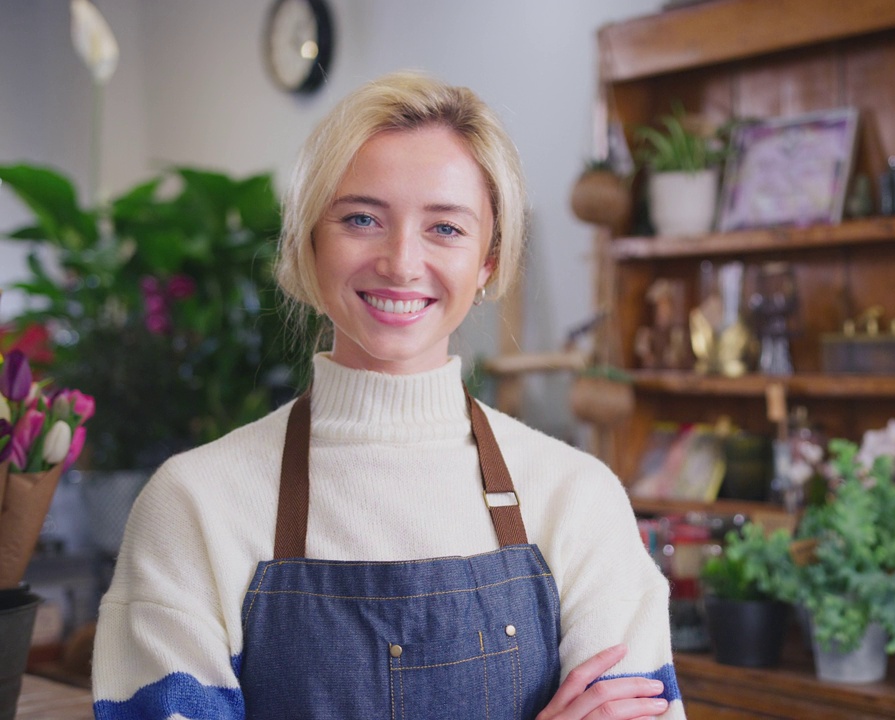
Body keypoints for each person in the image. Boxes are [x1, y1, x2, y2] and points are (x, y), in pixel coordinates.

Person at [91, 71, 684, 720]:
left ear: (488, 261)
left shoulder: (578, 500)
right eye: (362, 218)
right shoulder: (194, 505)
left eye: (446, 228)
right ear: (310, 242)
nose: (402, 262)